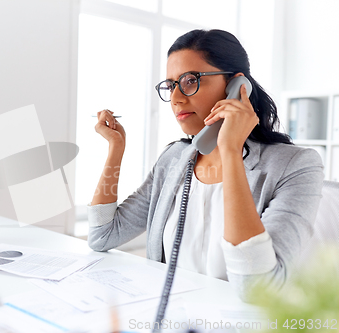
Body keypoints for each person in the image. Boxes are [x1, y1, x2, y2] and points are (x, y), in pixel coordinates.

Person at [87, 29, 324, 301]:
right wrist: (116, 149)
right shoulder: (174, 159)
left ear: (238, 87)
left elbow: (257, 289)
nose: (176, 98)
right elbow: (102, 235)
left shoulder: (296, 166)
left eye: (190, 80)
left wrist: (231, 151)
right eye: (170, 85)